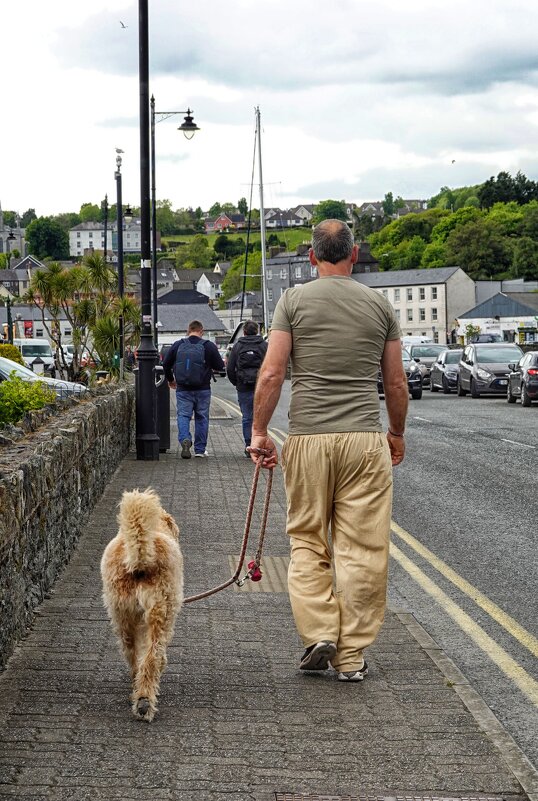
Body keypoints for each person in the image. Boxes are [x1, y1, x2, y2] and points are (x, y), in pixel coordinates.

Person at [249, 219, 408, 682]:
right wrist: (395, 433)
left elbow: (273, 374)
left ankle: (319, 631)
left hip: (308, 438)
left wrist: (260, 431)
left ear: (312, 257)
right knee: (362, 549)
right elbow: (395, 382)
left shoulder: (292, 301)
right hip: (363, 439)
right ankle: (352, 657)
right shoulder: (379, 305)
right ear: (354, 255)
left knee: (306, 540)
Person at [163, 320, 225, 459]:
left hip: (183, 389)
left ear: (188, 330)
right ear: (201, 331)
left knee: (183, 416)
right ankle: (200, 450)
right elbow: (220, 366)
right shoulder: (208, 346)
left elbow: (165, 365)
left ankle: (185, 439)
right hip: (203, 389)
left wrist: (171, 380)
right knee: (202, 417)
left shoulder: (178, 345)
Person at [226, 320, 268, 457]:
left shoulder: (237, 346)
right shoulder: (264, 346)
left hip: (243, 387)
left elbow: (230, 368)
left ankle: (249, 445)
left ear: (244, 332)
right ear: (257, 331)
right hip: (261, 387)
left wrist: (237, 383)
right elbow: (272, 367)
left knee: (247, 417)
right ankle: (261, 444)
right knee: (261, 417)